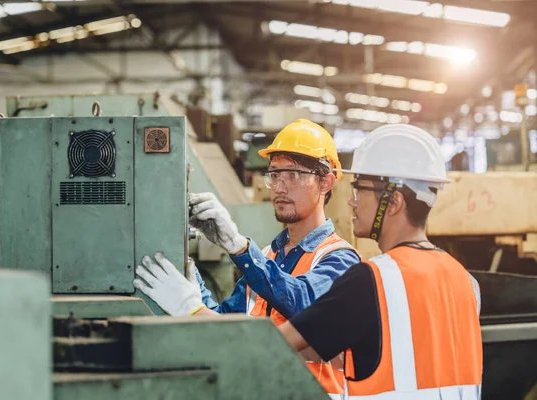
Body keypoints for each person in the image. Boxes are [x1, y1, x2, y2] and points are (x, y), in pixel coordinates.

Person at [134, 119, 361, 399]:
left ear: (325, 181)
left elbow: (306, 308)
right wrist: (192, 287)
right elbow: (228, 325)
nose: (279, 187)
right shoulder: (267, 257)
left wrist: (238, 247)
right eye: (274, 175)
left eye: (293, 175)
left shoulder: (340, 261)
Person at [278, 124, 483, 399]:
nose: (352, 202)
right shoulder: (467, 282)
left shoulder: (371, 280)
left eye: (359, 190)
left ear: (394, 201)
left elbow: (278, 343)